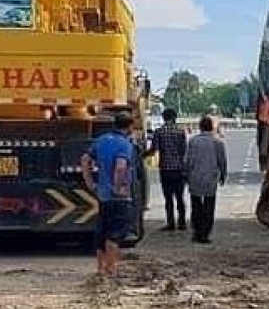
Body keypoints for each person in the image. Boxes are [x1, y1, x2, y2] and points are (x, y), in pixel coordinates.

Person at [80, 113, 137, 279]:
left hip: (103, 195)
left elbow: (85, 159)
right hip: (119, 196)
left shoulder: (102, 139)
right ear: (130, 126)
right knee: (115, 233)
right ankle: (111, 269)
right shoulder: (125, 144)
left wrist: (90, 183)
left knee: (102, 231)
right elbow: (120, 167)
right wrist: (117, 187)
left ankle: (100, 269)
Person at [184, 115, 227, 244]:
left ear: (200, 127)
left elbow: (187, 160)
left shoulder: (193, 141)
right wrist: (223, 175)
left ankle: (197, 232)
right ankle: (205, 233)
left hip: (195, 177)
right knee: (209, 206)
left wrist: (186, 174)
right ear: (212, 127)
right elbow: (222, 161)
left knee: (196, 206)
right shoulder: (218, 142)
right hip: (211, 178)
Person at [145, 107, 188, 231]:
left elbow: (154, 150)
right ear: (174, 118)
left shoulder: (159, 131)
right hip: (179, 169)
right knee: (180, 197)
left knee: (168, 198)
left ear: (164, 118)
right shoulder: (181, 131)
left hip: (165, 169)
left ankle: (171, 223)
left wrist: (141, 155)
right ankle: (182, 222)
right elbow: (183, 150)